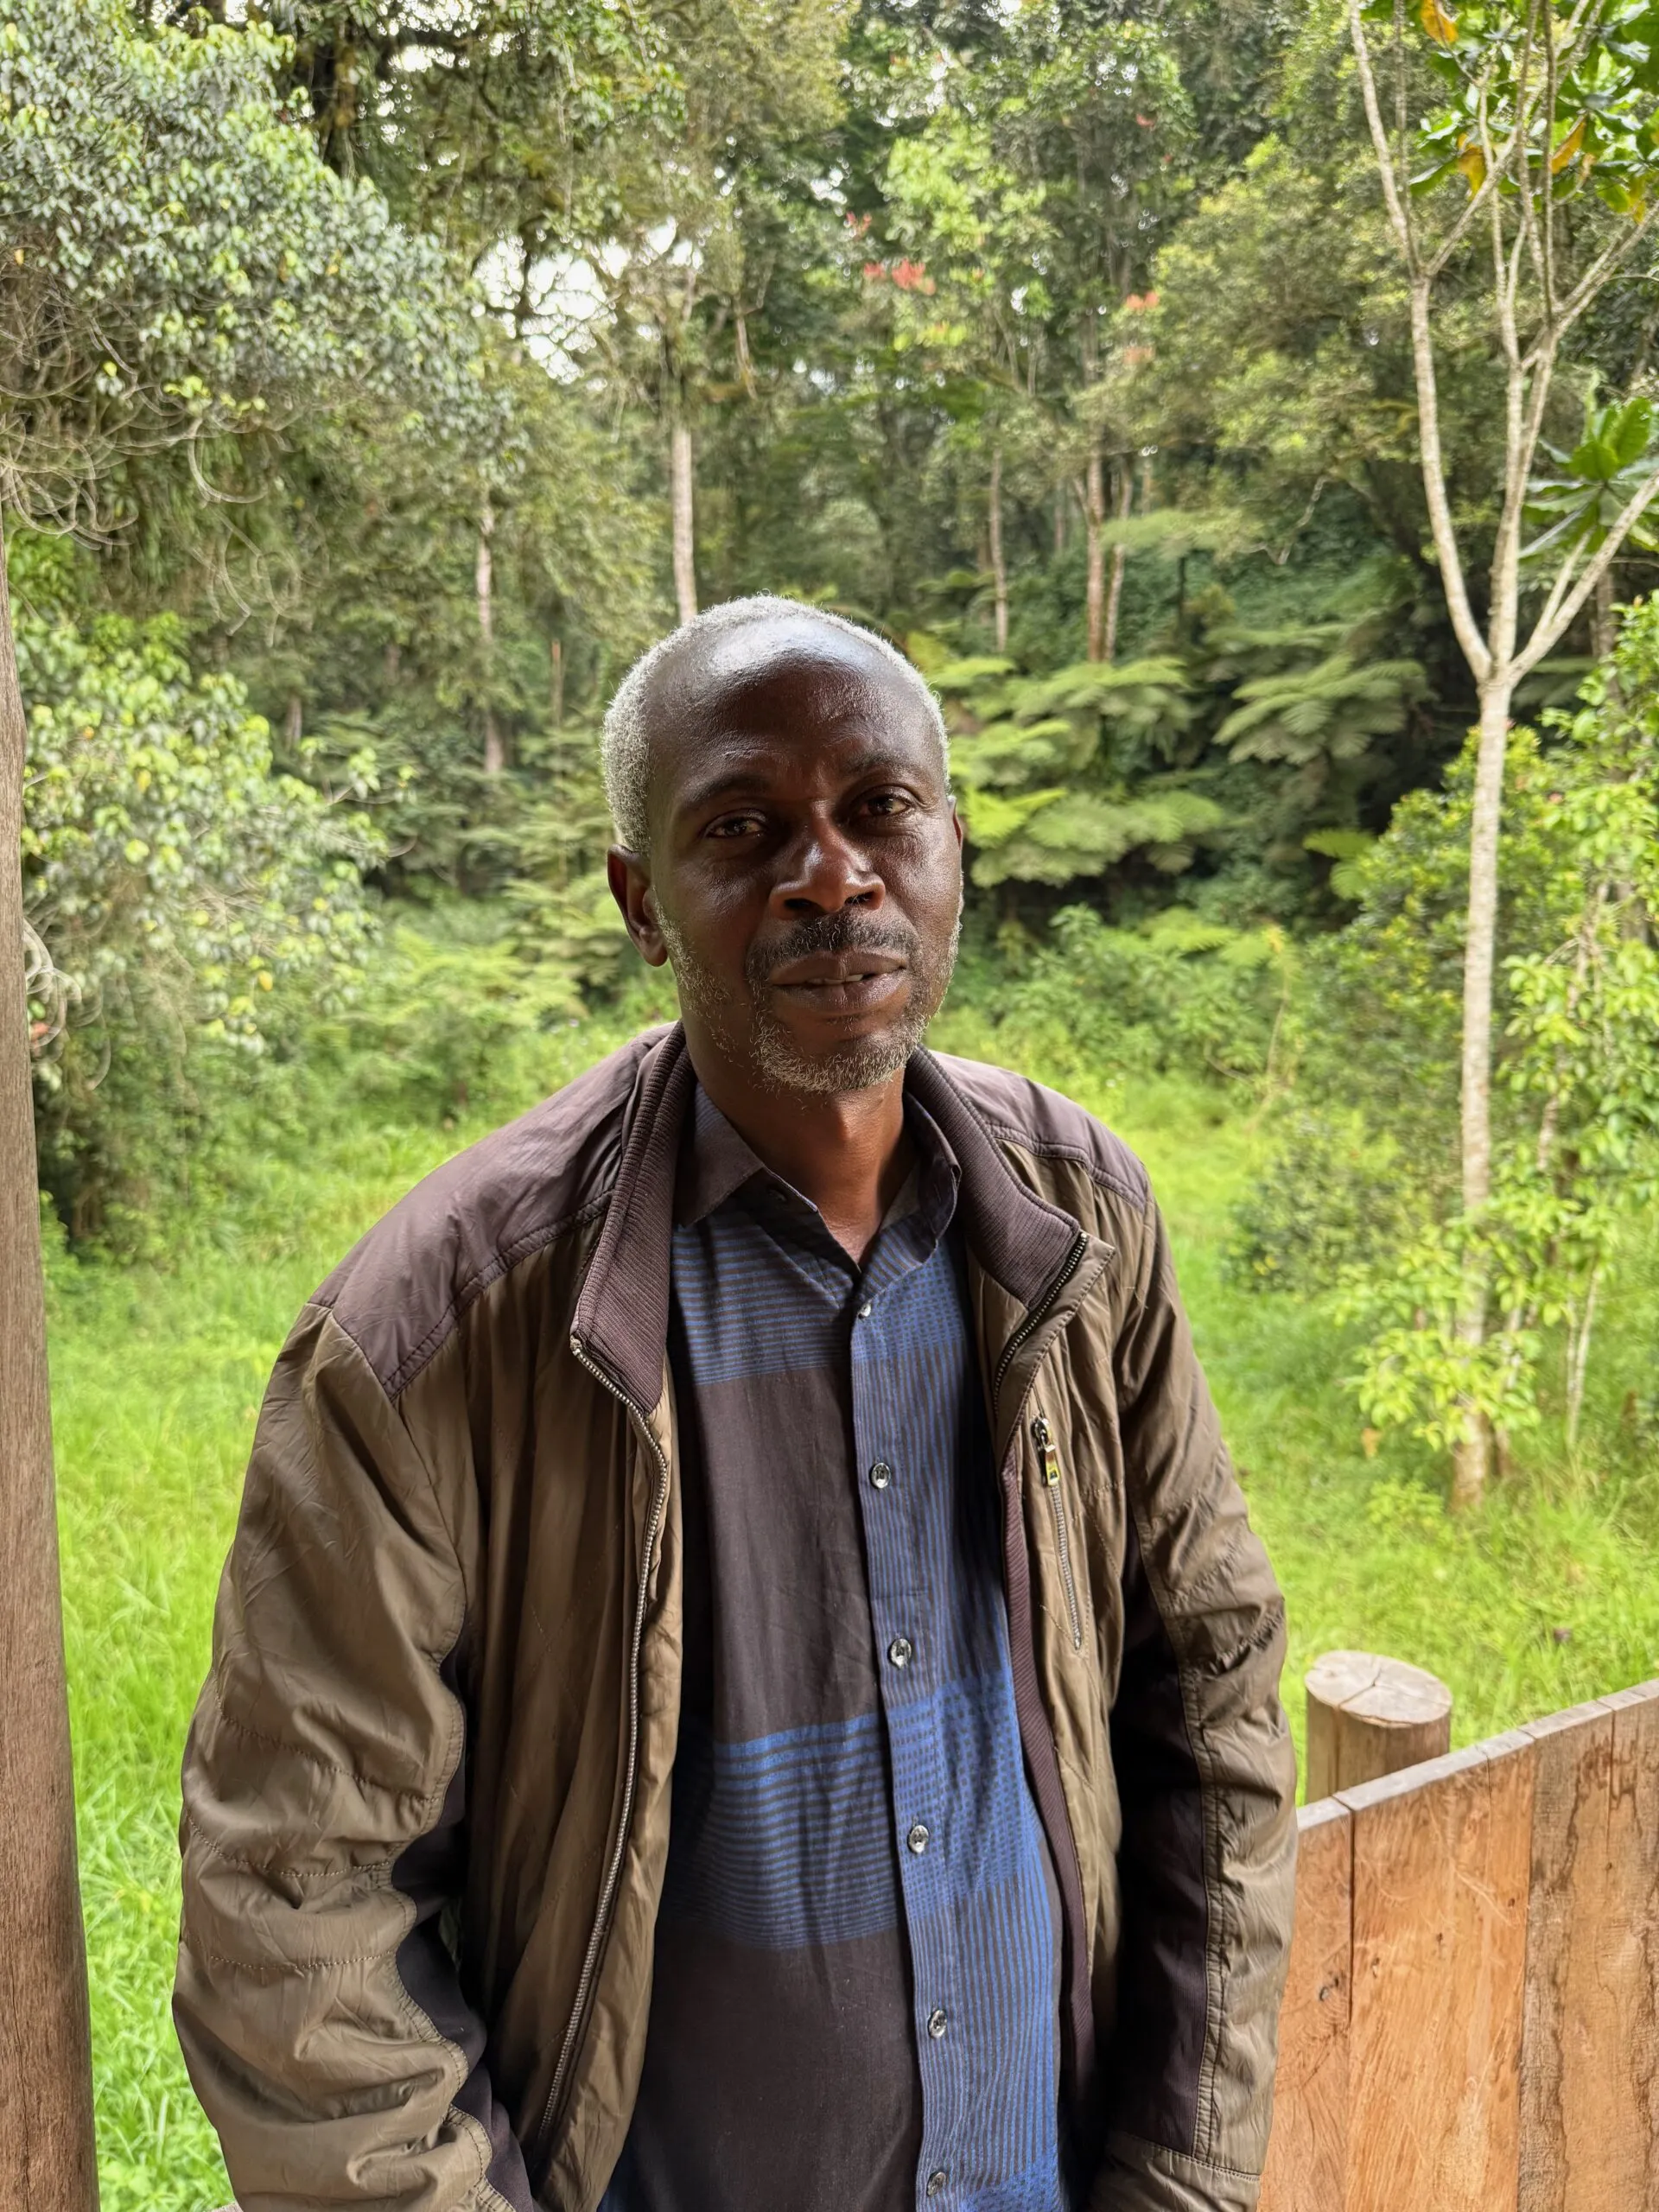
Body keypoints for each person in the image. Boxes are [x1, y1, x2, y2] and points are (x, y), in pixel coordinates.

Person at [175, 596, 1297, 2212]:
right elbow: (298, 1903)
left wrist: (1180, 2175)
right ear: (644, 900)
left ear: (952, 851)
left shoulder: (1083, 1226)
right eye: (745, 826)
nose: (828, 873)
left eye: (879, 811)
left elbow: (1216, 1700)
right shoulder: (435, 1339)